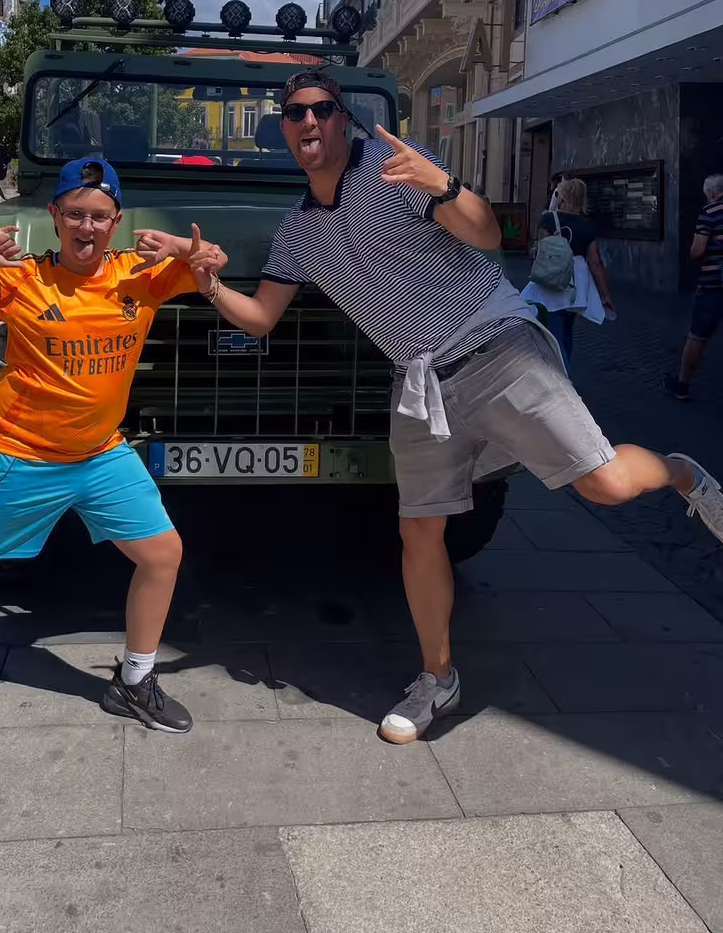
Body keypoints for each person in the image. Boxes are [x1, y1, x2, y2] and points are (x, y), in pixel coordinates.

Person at [136, 68, 723, 746]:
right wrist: (204, 281)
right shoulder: (297, 232)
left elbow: (487, 236)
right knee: (419, 532)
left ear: (341, 117)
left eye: (321, 108)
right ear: (284, 131)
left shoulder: (392, 168)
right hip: (418, 382)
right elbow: (263, 317)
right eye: (294, 113)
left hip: (495, 344)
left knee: (607, 484)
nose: (308, 122)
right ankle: (437, 678)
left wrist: (443, 185)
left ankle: (684, 473)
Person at [0, 156, 226, 746]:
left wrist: (190, 252)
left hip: (101, 454)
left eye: (100, 217)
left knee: (162, 554)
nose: (87, 227)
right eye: (75, 214)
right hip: (18, 455)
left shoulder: (139, 275)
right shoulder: (20, 278)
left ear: (116, 222)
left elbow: (212, 266)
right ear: (55, 216)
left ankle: (134, 681)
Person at [521, 177, 614, 368]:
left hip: (550, 281)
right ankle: (564, 368)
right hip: (575, 284)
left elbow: (540, 250)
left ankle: (562, 374)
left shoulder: (548, 219)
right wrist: (605, 295)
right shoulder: (586, 225)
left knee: (555, 331)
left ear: (561, 197)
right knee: (566, 329)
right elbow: (595, 262)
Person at [664, 173, 723, 400]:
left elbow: (698, 250)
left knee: (697, 335)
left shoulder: (709, 213)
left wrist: (691, 258)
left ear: (712, 192)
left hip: (713, 285)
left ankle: (682, 384)